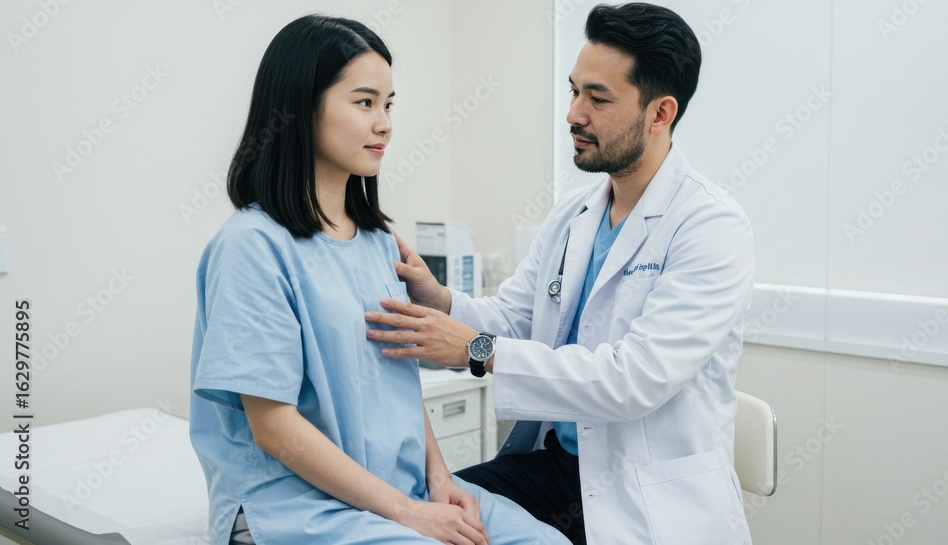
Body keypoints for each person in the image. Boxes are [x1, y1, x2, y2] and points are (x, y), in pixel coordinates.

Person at [363, 3, 755, 544]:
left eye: (598, 98)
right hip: (553, 469)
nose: (574, 113)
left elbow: (631, 380)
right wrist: (441, 301)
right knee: (418, 520)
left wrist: (475, 348)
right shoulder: (575, 216)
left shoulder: (711, 227)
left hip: (644, 496)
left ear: (661, 113)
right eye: (574, 91)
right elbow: (516, 318)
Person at [189, 14, 571, 545]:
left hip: (398, 491)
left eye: (388, 105)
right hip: (294, 505)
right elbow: (272, 426)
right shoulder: (253, 246)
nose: (385, 123)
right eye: (364, 102)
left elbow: (400, 382)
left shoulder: (378, 243)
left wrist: (439, 480)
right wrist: (406, 514)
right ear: (299, 108)